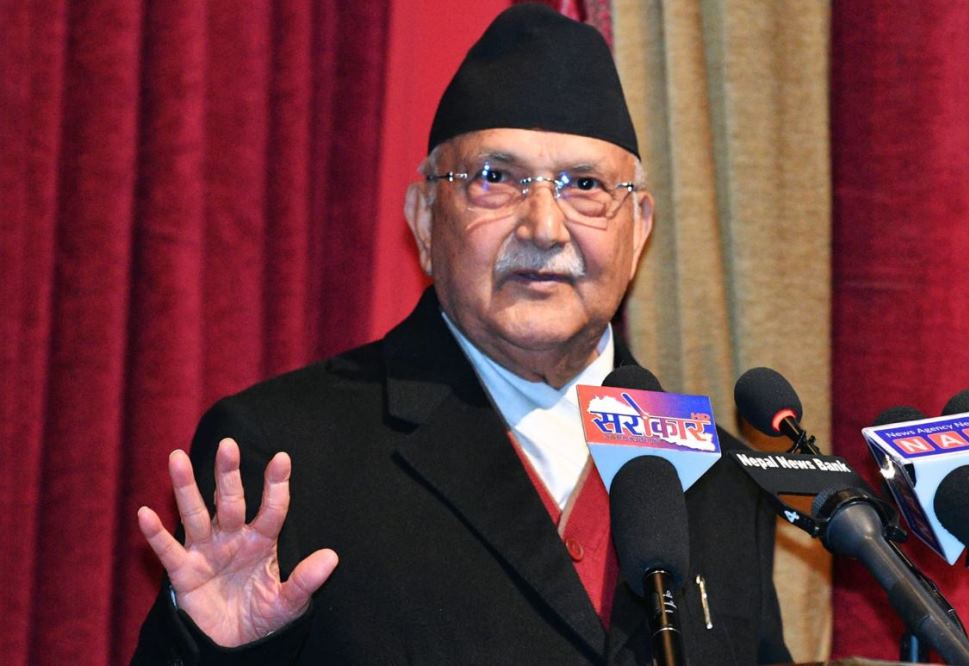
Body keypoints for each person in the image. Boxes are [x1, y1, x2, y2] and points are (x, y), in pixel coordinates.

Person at [131, 5, 789, 664]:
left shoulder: (720, 481)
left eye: (585, 185)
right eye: (495, 180)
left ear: (639, 227)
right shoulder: (285, 453)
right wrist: (211, 649)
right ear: (424, 217)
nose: (544, 228)